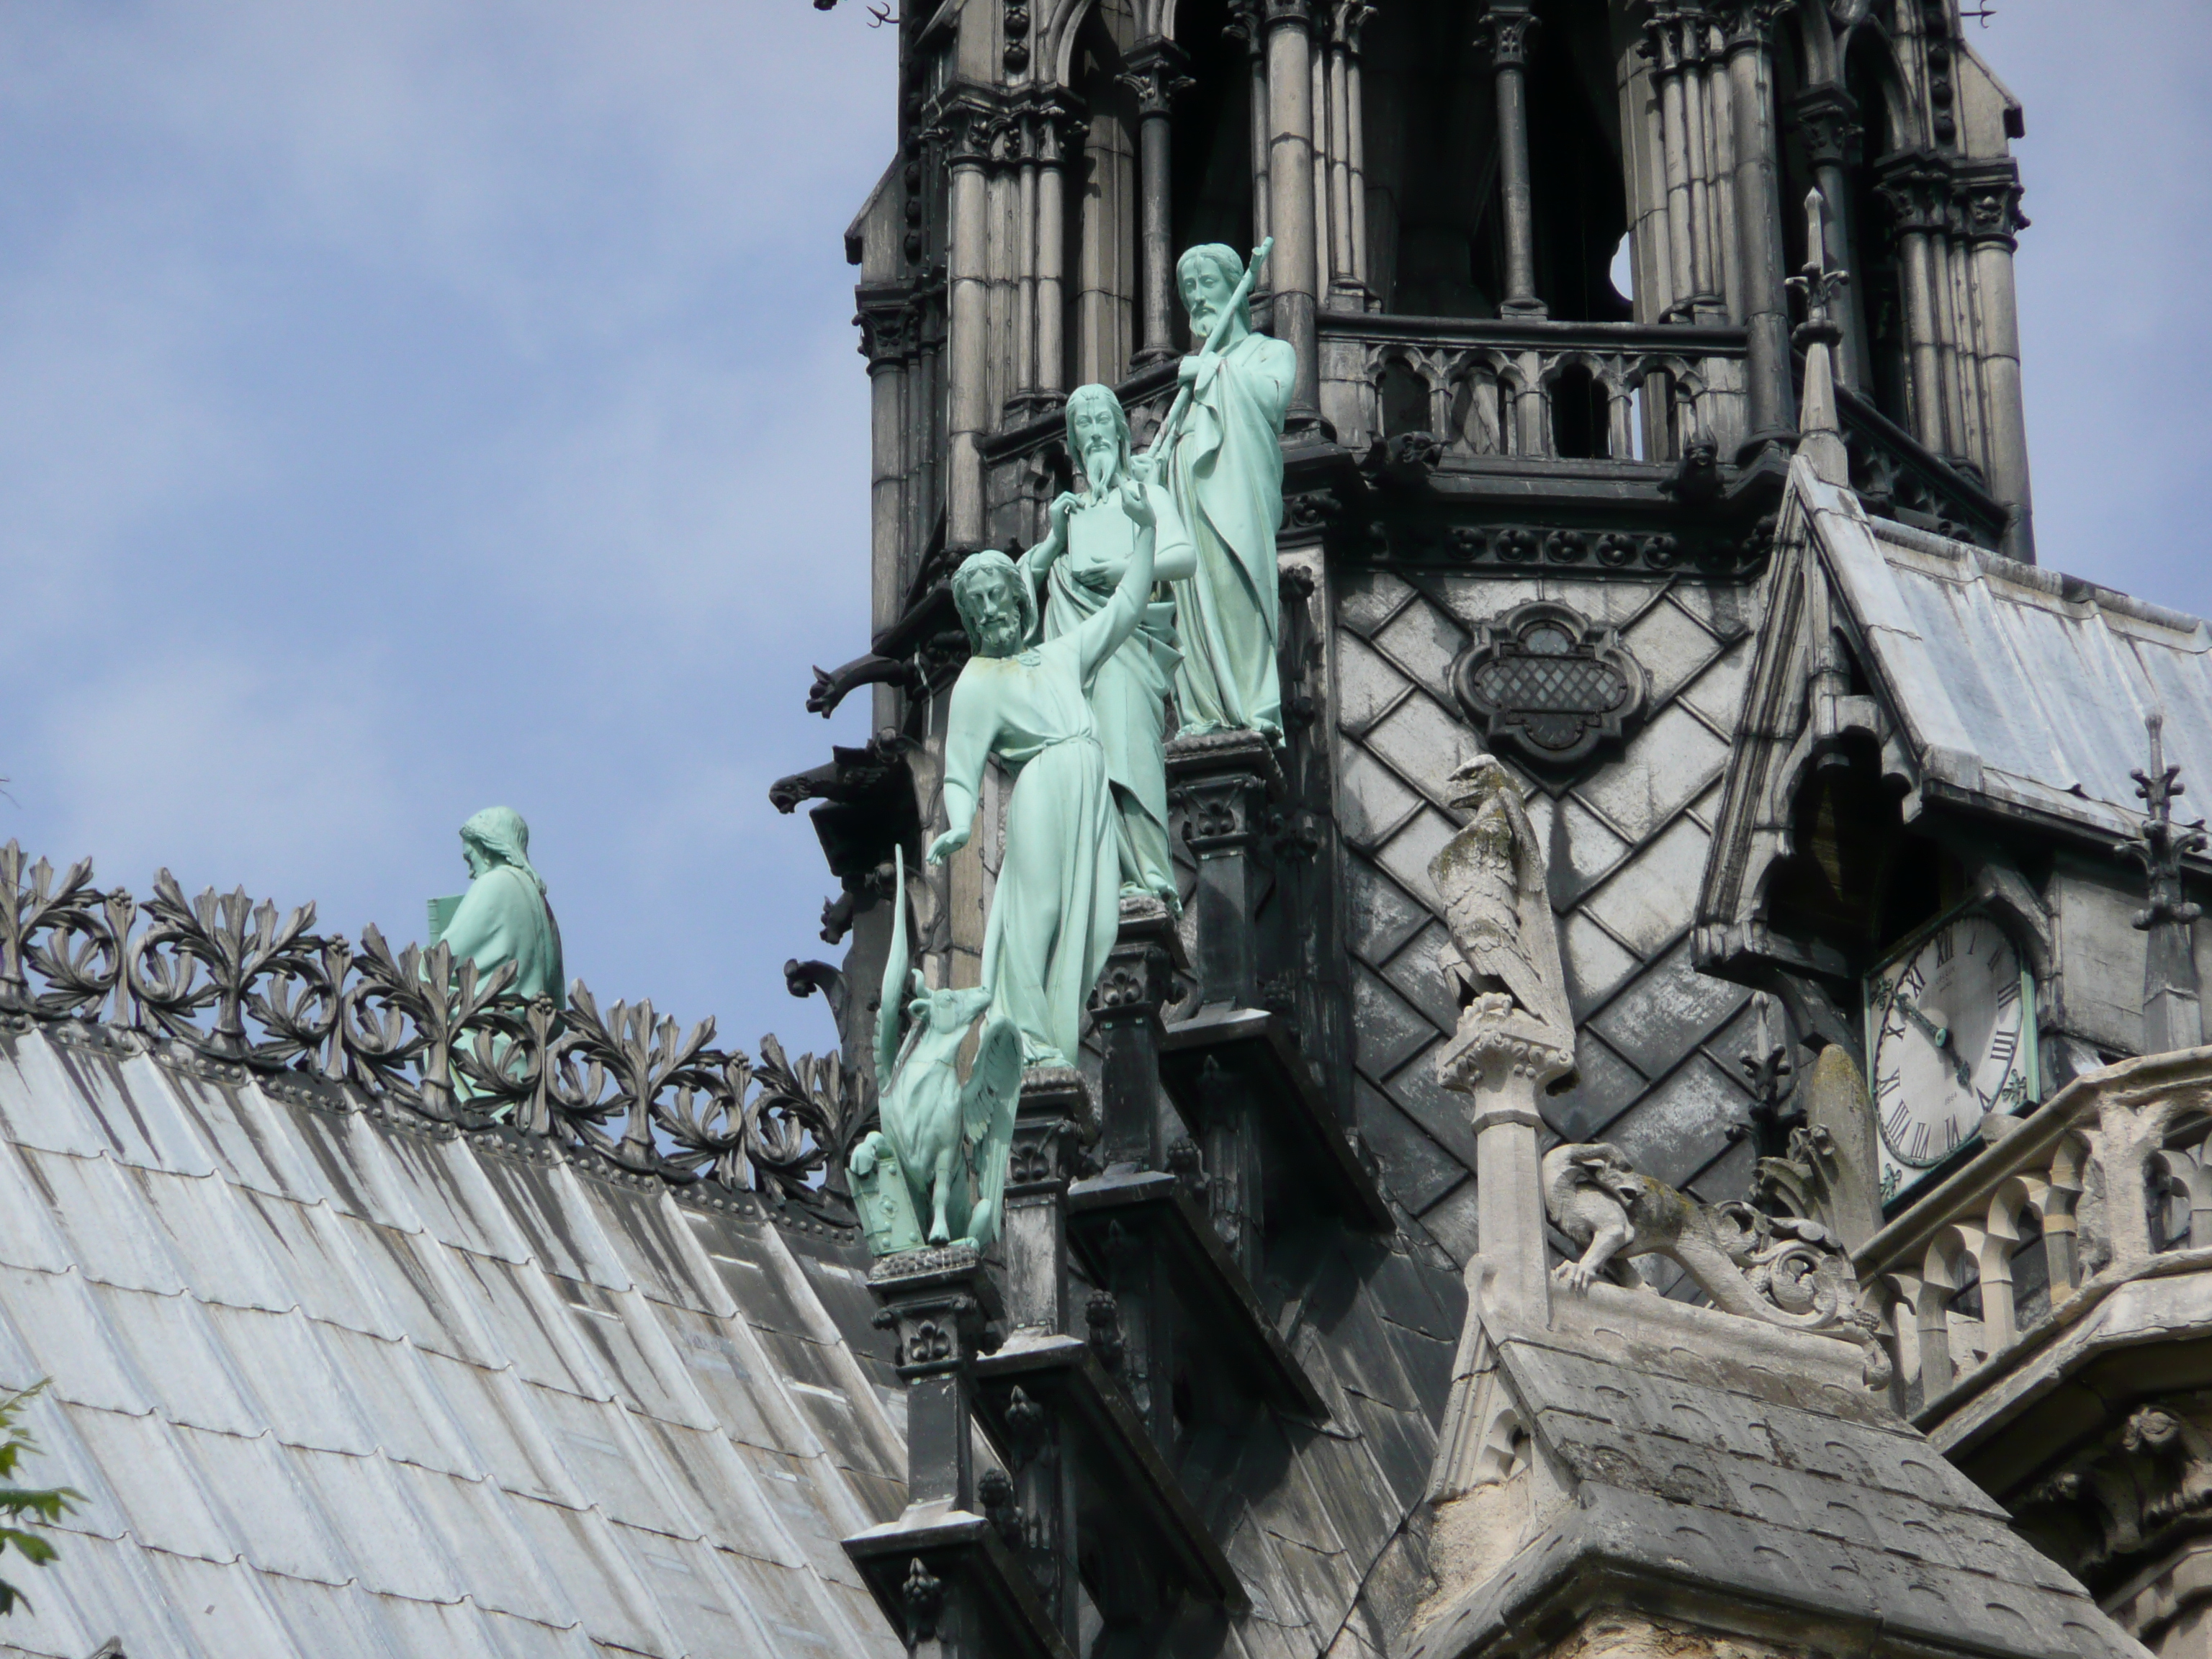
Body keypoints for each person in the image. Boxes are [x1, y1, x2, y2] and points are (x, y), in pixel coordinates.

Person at [928, 475, 1161, 1069]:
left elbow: (1126, 610)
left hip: (1088, 778)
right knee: (1037, 911)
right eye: (975, 602)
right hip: (1041, 785)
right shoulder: (976, 683)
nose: (987, 608)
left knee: (1101, 919)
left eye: (994, 594)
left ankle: (1052, 1028)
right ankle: (1029, 1038)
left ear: (1015, 597)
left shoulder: (1059, 655)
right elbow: (960, 771)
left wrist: (1148, 532)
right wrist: (958, 826)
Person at [1020, 383, 1195, 910]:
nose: (1094, 434)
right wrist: (1053, 538)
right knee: (1088, 760)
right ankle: (1104, 874)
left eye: (1102, 424)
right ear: (1073, 447)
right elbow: (1019, 584)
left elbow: (1183, 557)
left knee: (1130, 752)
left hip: (1129, 650)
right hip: (1078, 659)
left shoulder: (1145, 498)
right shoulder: (1069, 517)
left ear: (1121, 434)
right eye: (1083, 429)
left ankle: (1147, 873)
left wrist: (1127, 568)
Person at [1164, 242, 1297, 743]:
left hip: (1238, 499)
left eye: (1207, 284)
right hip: (1190, 504)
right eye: (1188, 290)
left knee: (1238, 592)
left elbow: (1274, 399)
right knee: (1195, 605)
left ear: (1235, 288)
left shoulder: (1269, 351)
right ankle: (1205, 708)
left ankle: (1254, 704)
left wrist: (1216, 372)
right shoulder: (1186, 380)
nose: (1196, 299)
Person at [432, 806, 564, 1006]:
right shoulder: (545, 910)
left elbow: (447, 959)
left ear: (486, 847)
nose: (471, 873)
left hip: (487, 1027)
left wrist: (418, 964)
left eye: (470, 859)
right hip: (531, 1030)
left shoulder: (495, 882)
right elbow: (557, 1004)